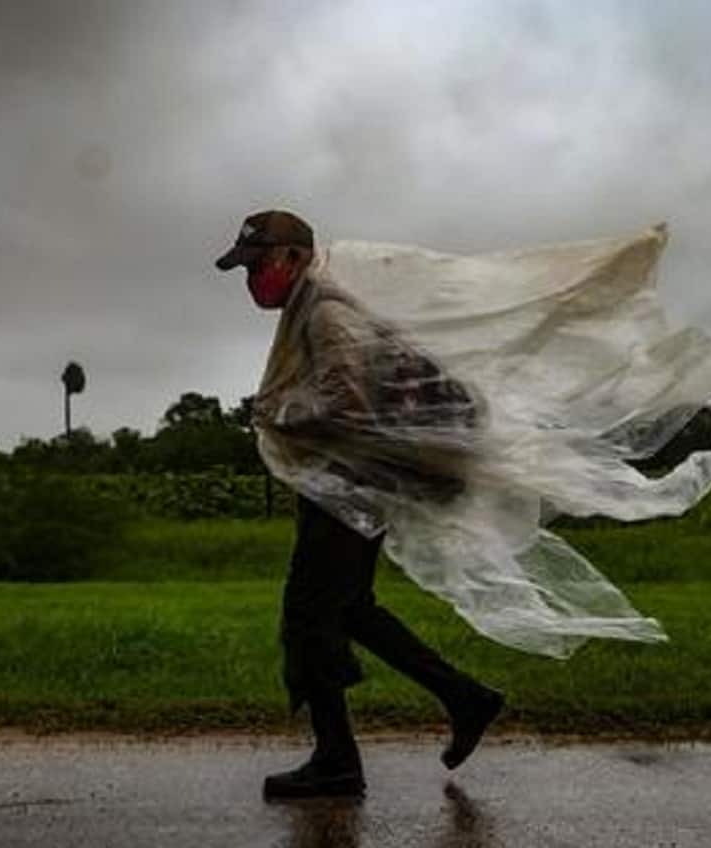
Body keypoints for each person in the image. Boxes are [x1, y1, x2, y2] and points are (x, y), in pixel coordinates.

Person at [215, 210, 505, 801]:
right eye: (245, 270)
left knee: (310, 617)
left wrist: (277, 414)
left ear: (294, 257)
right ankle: (465, 698)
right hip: (352, 485)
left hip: (348, 488)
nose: (252, 282)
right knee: (349, 610)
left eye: (258, 264)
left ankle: (338, 763)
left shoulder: (324, 312)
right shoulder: (314, 308)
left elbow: (345, 401)